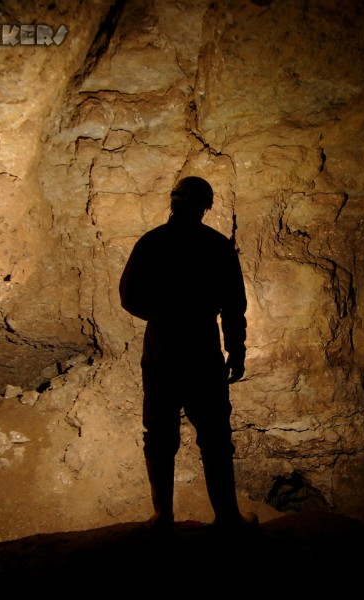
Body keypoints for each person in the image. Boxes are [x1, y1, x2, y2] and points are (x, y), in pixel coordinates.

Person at [119, 175, 257, 534]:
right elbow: (233, 306)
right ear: (205, 207)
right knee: (214, 436)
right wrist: (236, 350)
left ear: (173, 202)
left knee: (160, 434)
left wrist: (164, 312)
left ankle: (163, 516)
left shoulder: (152, 243)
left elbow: (129, 297)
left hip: (163, 349)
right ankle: (226, 517)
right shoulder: (216, 247)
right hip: (201, 351)